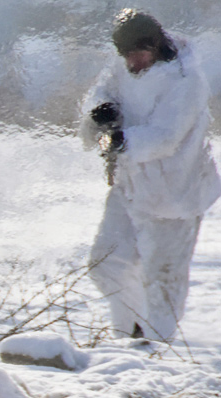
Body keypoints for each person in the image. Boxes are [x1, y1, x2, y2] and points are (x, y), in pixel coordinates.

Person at [80, 9, 220, 342]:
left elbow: (166, 137)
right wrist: (101, 111)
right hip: (130, 186)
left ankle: (156, 349)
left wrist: (121, 141)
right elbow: (102, 92)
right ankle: (128, 333)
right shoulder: (123, 66)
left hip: (175, 193)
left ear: (155, 46)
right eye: (126, 55)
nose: (133, 61)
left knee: (163, 279)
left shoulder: (186, 81)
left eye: (138, 53)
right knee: (106, 263)